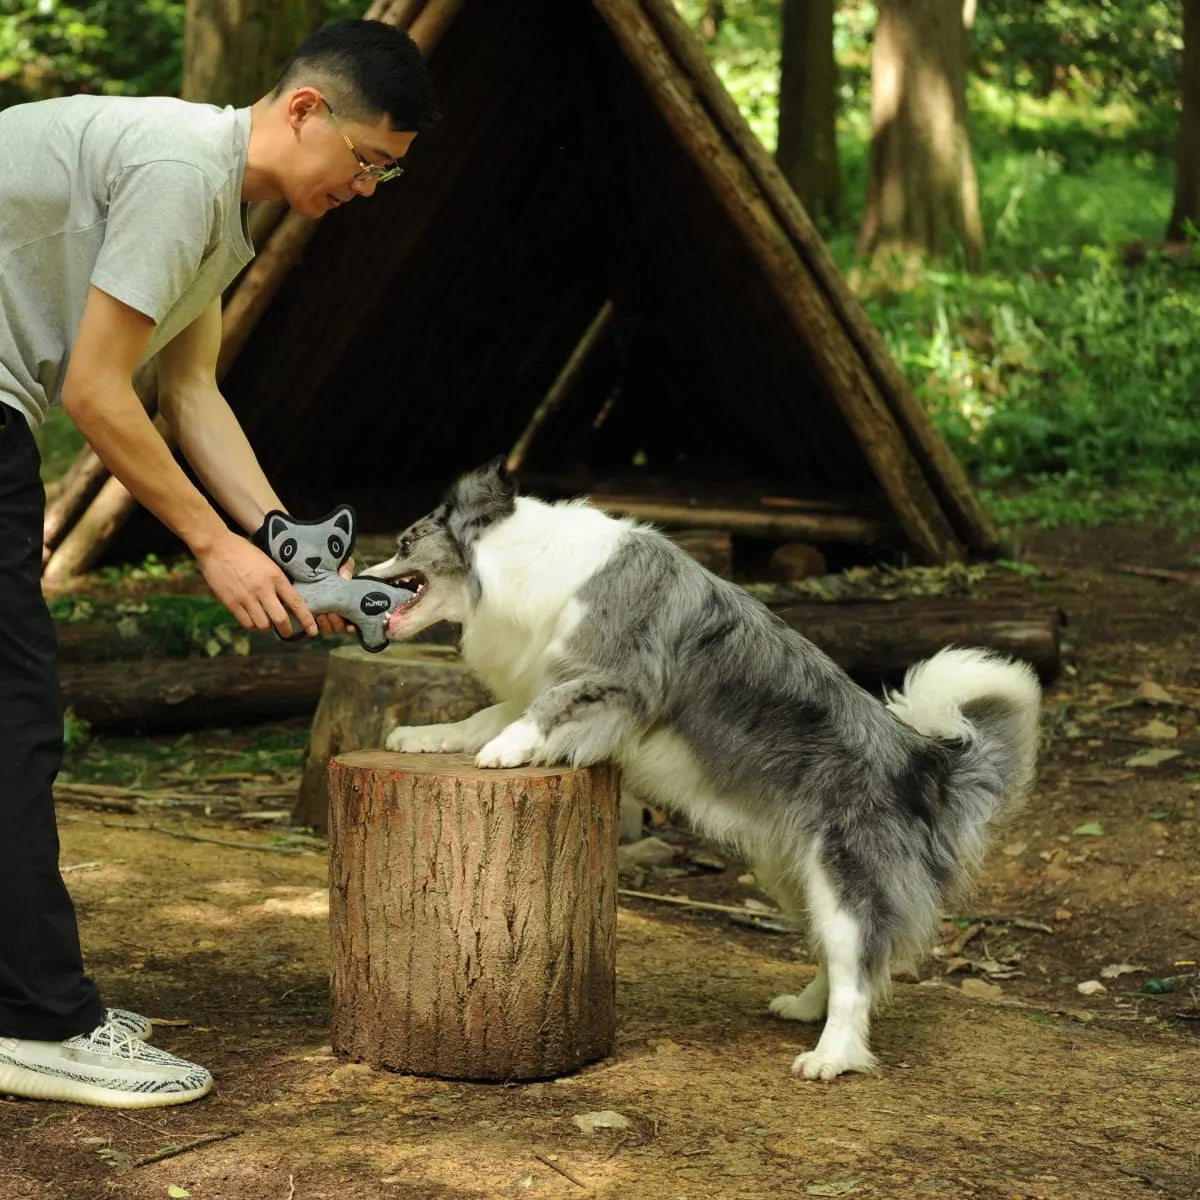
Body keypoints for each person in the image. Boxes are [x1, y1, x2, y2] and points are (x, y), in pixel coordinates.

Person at [0, 19, 439, 1109]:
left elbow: (187, 393)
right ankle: (35, 1023)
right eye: (369, 162)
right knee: (13, 717)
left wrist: (292, 552)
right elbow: (97, 393)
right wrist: (210, 545)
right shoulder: (177, 171)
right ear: (303, 112)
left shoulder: (218, 212)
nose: (369, 190)